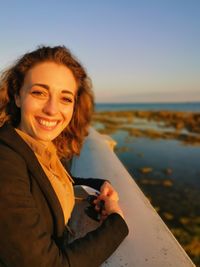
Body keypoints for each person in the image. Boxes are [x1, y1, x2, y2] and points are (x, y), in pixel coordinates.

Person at [0, 46, 129, 267]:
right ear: (17, 96)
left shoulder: (37, 147)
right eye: (39, 92)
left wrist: (99, 184)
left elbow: (43, 182)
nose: (52, 110)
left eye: (65, 98)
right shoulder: (5, 162)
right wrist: (117, 223)